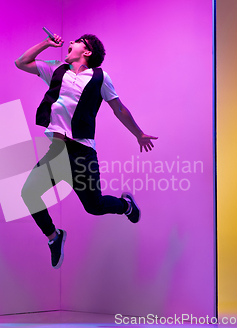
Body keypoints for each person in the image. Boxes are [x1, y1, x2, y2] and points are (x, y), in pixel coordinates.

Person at [15, 32, 158, 269]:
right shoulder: (57, 70)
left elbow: (119, 109)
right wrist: (45, 44)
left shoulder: (100, 78)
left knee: (95, 206)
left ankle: (125, 205)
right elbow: (21, 62)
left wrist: (138, 134)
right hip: (57, 151)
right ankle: (54, 237)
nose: (69, 43)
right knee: (29, 193)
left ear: (87, 51)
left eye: (76, 42)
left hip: (82, 154)